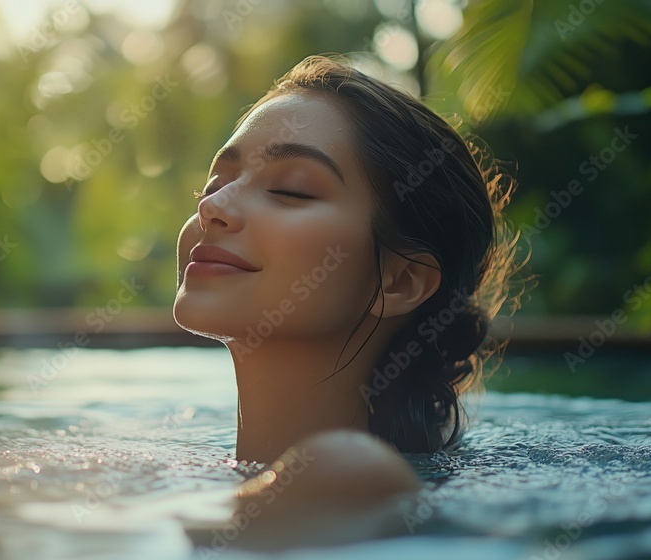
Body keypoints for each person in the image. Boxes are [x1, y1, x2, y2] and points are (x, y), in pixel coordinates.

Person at [174, 54, 521, 546]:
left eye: (289, 191)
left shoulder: (351, 475)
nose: (212, 206)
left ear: (398, 281)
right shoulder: (249, 479)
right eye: (217, 184)